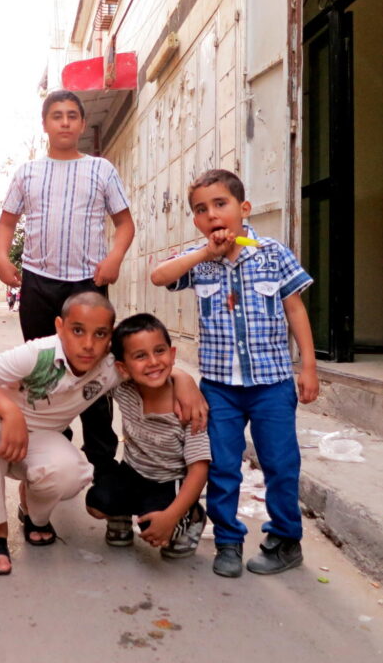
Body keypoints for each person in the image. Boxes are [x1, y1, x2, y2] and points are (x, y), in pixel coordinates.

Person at [0, 292, 207, 574]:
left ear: (110, 337)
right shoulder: (38, 354)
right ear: (60, 327)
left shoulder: (111, 367)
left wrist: (183, 379)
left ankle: (34, 515)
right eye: (77, 331)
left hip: (41, 440)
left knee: (71, 472)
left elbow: (151, 367)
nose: (88, 345)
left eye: (100, 334)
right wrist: (10, 412)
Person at [151, 169, 318, 578]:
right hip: (220, 388)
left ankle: (285, 539)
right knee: (222, 465)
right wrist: (203, 254)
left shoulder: (273, 253)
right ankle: (228, 541)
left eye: (220, 204)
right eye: (201, 210)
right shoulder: (199, 262)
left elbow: (295, 309)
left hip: (272, 384)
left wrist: (308, 368)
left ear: (243, 209)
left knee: (280, 463)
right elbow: (159, 276)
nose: (212, 215)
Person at [0, 89, 135, 481]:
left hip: (87, 286)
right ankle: (48, 460)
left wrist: (115, 258)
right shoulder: (27, 173)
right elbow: (6, 223)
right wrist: (4, 258)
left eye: (72, 115)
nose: (65, 122)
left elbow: (125, 223)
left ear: (82, 123)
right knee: (44, 375)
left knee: (93, 373)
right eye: (57, 116)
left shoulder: (101, 170)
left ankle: (104, 472)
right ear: (45, 125)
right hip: (39, 285)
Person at [85, 314, 210, 559]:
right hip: (133, 473)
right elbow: (96, 360)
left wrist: (171, 516)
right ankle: (119, 515)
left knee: (159, 533)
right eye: (140, 356)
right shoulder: (123, 388)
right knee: (96, 501)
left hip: (169, 482)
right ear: (123, 367)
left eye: (159, 351)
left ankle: (192, 517)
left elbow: (199, 469)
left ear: (172, 355)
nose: (153, 362)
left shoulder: (188, 407)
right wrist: (181, 376)